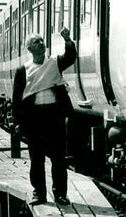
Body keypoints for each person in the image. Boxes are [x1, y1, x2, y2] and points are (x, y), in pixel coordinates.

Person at [12, 28, 77, 206]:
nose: (41, 43)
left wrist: (67, 40)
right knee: (36, 159)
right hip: (34, 120)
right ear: (29, 49)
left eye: (42, 41)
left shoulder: (54, 63)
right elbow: (16, 98)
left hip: (54, 117)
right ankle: (39, 194)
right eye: (36, 42)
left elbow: (70, 57)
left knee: (58, 159)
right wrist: (17, 122)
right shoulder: (23, 70)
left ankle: (60, 194)